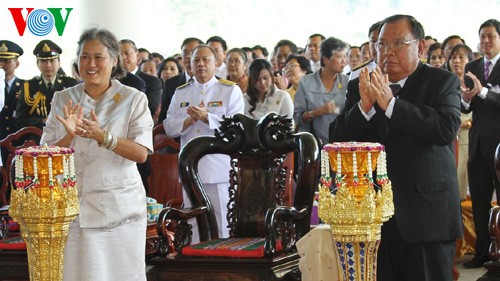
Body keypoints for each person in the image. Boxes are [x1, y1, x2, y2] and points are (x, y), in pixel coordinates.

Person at [330, 14, 462, 281]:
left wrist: (391, 105)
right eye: (380, 45)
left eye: (397, 44)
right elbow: (336, 139)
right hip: (375, 219)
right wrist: (364, 109)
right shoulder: (361, 85)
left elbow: (444, 128)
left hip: (426, 216)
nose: (387, 52)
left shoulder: (441, 82)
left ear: (420, 47)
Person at [40, 27, 153, 280]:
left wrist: (104, 137)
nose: (91, 64)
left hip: (118, 211)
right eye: (84, 57)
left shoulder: (133, 99)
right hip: (73, 209)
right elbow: (45, 155)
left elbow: (141, 154)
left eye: (98, 57)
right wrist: (69, 135)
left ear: (114, 61)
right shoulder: (63, 98)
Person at [164, 44, 244, 241]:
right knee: (192, 221)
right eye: (196, 61)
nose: (200, 65)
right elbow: (168, 127)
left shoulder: (229, 90)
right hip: (190, 169)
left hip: (217, 168)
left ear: (216, 63)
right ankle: (195, 263)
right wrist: (188, 121)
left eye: (205, 60)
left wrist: (208, 117)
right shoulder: (182, 92)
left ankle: (223, 265)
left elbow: (236, 127)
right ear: (189, 65)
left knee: (221, 220)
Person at [461, 19, 500, 269]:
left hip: (499, 148)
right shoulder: (472, 66)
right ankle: (483, 250)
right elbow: (467, 106)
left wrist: (483, 92)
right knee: (479, 200)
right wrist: (465, 99)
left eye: (490, 36)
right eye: (481, 37)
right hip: (476, 145)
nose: (485, 41)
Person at [293, 36, 349, 147]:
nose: (344, 61)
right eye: (339, 57)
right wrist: (318, 112)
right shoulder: (306, 81)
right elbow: (297, 117)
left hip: (342, 145)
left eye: (344, 56)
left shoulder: (348, 82)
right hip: (313, 145)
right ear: (325, 59)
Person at [16, 40, 77, 131]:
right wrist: (42, 120)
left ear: (59, 63)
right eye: (43, 61)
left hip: (64, 134)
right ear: (37, 64)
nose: (48, 65)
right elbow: (20, 119)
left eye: (52, 61)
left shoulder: (70, 84)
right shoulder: (29, 87)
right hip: (37, 137)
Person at [448, 44, 474, 201]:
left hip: (470, 141)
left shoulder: (474, 85)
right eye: (453, 57)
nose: (456, 61)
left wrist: (467, 123)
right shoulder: (444, 84)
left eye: (461, 57)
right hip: (451, 141)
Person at [158, 37, 203, 125]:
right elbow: (164, 117)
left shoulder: (217, 83)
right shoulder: (170, 83)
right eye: (185, 53)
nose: (189, 56)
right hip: (178, 136)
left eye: (193, 52)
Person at [0, 40, 24, 163]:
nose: (2, 64)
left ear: (17, 63)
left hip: (16, 141)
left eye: (7, 61)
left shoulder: (25, 87)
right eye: (0, 60)